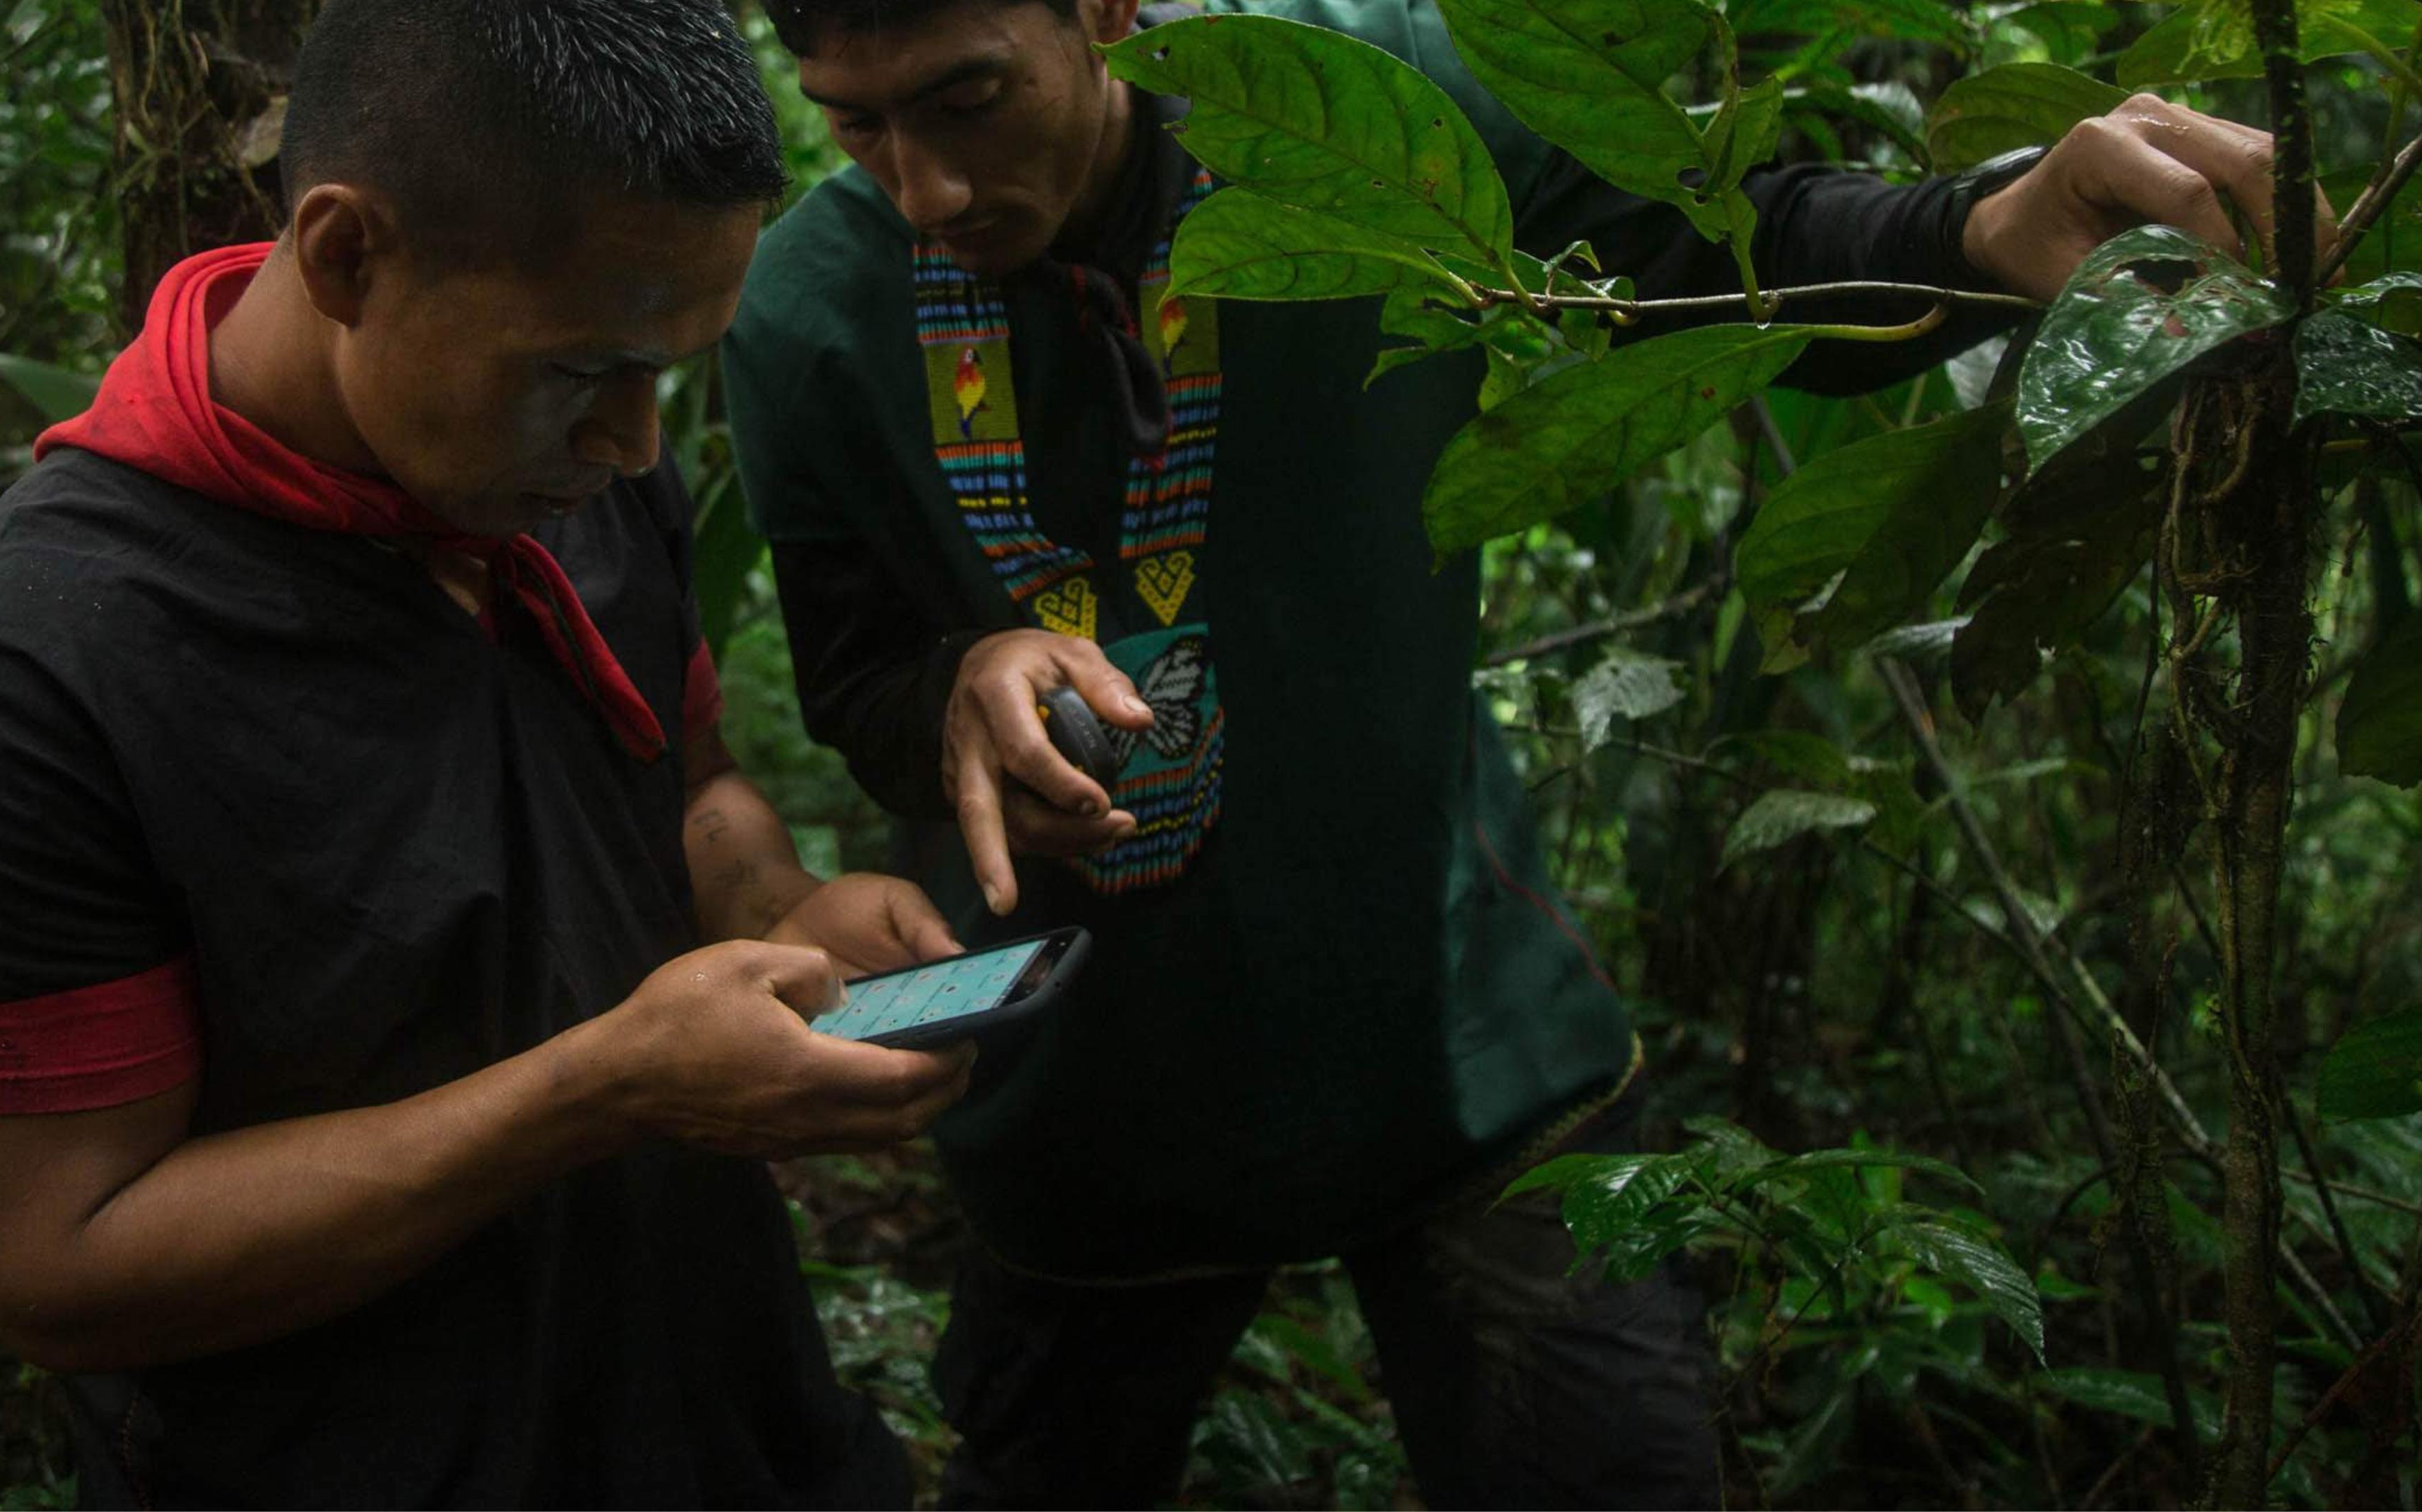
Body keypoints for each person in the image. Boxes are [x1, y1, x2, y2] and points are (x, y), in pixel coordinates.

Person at [723, 0, 2329, 1502]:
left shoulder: (1373, 107)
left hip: (1457, 1026)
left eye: (967, 101)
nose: (925, 186)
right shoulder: (814, 310)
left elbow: (1725, 263)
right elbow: (856, 669)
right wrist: (958, 685)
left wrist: (1979, 229)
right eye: (857, 126)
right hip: (1082, 1078)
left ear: (1108, 8)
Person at [0, 1, 980, 1505]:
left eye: (673, 375)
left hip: (720, 1413)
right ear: (345, 257)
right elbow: (65, 1265)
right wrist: (602, 1091)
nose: (640, 445)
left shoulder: (569, 474)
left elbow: (686, 783)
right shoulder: (17, 678)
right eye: (585, 372)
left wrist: (774, 906)